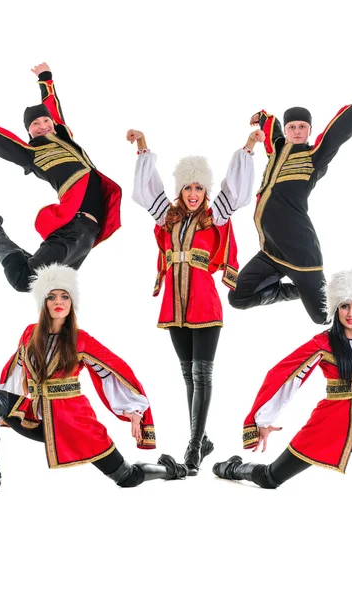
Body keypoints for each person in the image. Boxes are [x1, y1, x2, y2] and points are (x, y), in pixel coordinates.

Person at [0, 263, 187, 490]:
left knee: (127, 477)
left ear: (72, 302)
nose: (58, 302)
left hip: (73, 422)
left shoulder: (80, 339)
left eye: (64, 297)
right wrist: (3, 408)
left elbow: (112, 370)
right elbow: (15, 370)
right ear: (43, 302)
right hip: (34, 416)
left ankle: (169, 469)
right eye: (52, 297)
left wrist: (132, 410)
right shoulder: (29, 333)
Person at [213, 266, 352, 496]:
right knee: (270, 478)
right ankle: (233, 468)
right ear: (336, 308)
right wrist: (262, 420)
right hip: (327, 426)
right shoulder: (324, 342)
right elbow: (285, 374)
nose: (351, 313)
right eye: (345, 306)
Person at [126, 127, 261, 474]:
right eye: (188, 186)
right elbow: (148, 189)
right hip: (174, 307)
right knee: (188, 377)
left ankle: (193, 448)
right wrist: (142, 145)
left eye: (199, 186)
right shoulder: (167, 217)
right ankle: (202, 439)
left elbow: (236, 187)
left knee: (202, 376)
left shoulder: (214, 215)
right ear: (181, 190)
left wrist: (248, 146)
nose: (193, 193)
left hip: (204, 306)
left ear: (205, 190)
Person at [0, 62, 121, 293]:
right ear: (29, 132)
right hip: (73, 225)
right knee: (29, 282)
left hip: (89, 234)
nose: (42, 125)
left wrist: (45, 78)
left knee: (45, 281)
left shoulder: (64, 135)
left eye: (45, 121)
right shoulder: (31, 154)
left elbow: (52, 105)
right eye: (35, 124)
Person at [228, 89, 352, 324]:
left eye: (302, 127)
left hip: (301, 254)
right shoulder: (275, 151)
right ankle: (308, 291)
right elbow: (272, 128)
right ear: (286, 131)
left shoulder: (314, 157)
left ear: (309, 131)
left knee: (323, 317)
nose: (297, 131)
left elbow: (340, 129)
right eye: (292, 127)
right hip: (270, 252)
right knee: (238, 297)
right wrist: (262, 116)